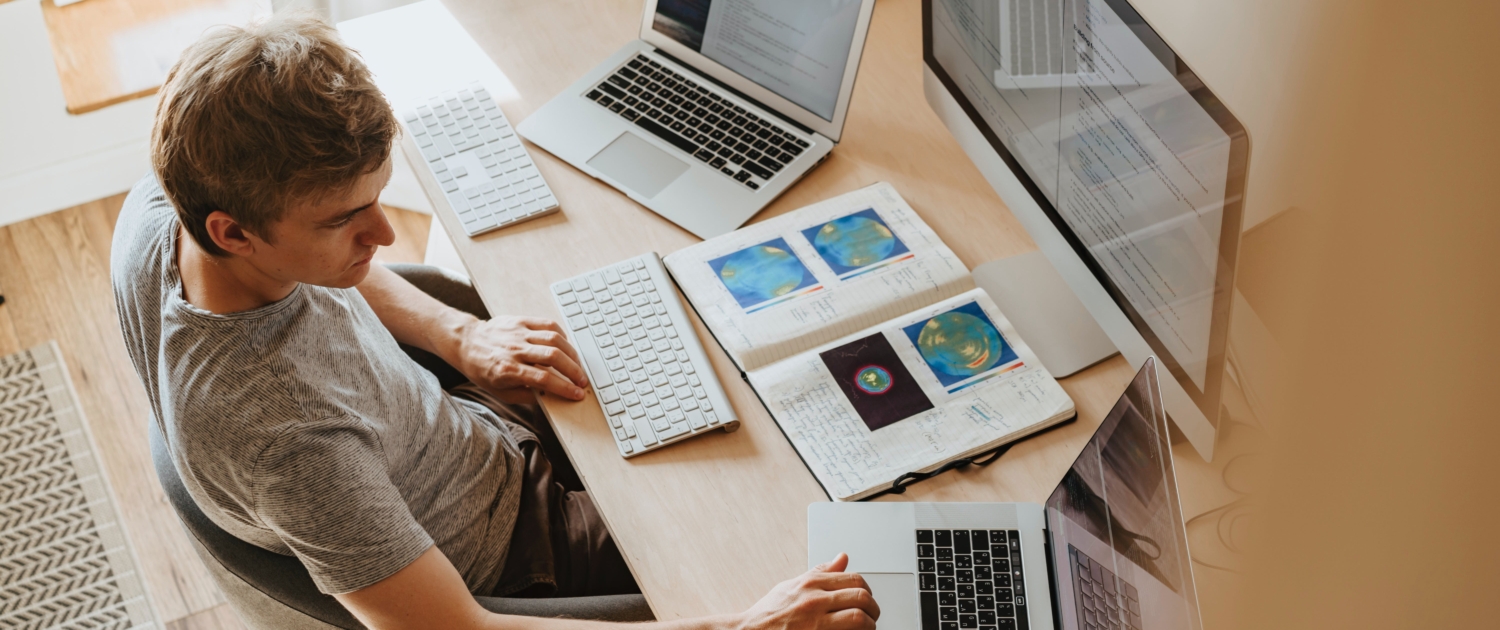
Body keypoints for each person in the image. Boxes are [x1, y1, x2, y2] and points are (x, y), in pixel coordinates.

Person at [110, 13, 878, 630]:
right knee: (812, 543)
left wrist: (459, 336)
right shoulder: (288, 442)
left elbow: (341, 274)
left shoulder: (166, 205)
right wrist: (747, 627)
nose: (381, 239)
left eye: (379, 198)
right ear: (232, 232)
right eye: (345, 221)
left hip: (464, 432)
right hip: (520, 549)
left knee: (736, 375)